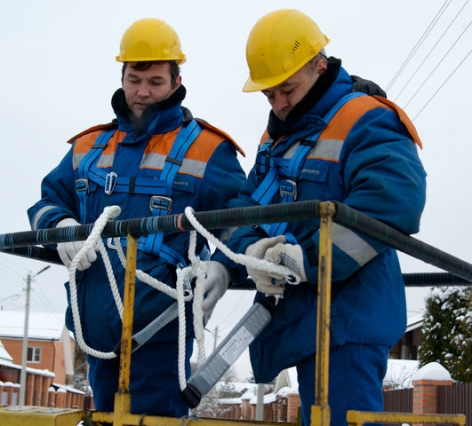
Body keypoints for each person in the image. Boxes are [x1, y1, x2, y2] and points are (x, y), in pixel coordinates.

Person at [216, 9, 427, 425]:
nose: (279, 104)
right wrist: (244, 254)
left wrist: (305, 260)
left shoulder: (368, 119)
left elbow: (394, 200)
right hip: (300, 317)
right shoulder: (275, 139)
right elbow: (244, 208)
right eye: (269, 96)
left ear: (319, 65)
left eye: (287, 90)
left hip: (350, 317)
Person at [27, 18, 246, 417]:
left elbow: (245, 225)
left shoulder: (207, 151)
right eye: (134, 79)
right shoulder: (87, 147)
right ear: (122, 75)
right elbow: (46, 202)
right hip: (94, 326)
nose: (142, 92)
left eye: (156, 81)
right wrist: (60, 228)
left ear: (177, 81)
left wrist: (224, 266)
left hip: (160, 329)